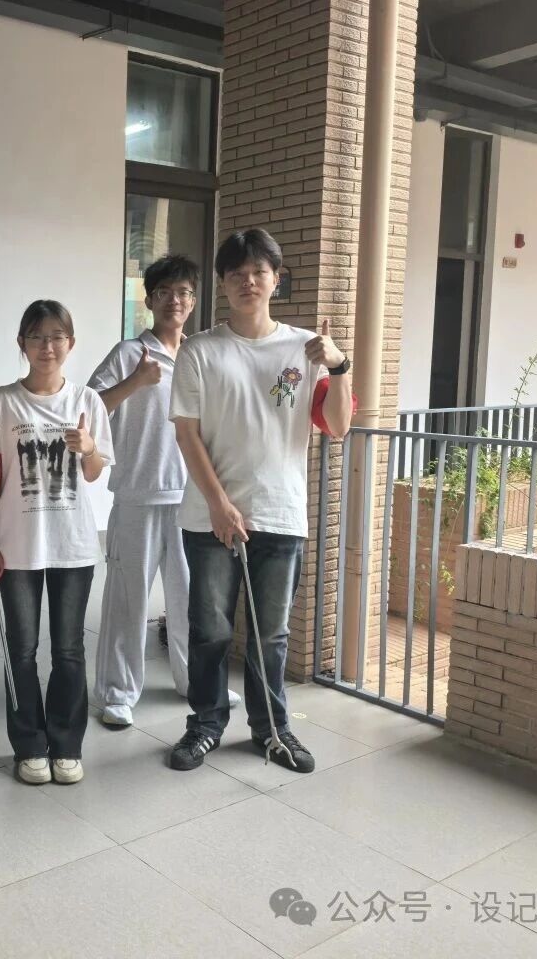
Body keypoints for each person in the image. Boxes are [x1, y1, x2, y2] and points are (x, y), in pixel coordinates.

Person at [167, 229, 353, 774]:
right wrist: (219, 504)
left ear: (277, 279)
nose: (248, 281)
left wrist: (339, 366)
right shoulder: (200, 350)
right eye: (236, 274)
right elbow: (187, 435)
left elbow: (338, 426)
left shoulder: (306, 348)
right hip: (209, 517)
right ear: (223, 283)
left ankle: (271, 729)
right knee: (211, 631)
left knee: (271, 635)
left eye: (258, 272)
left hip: (281, 512)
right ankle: (205, 725)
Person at [88, 254, 241, 729]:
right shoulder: (128, 354)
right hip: (138, 497)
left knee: (192, 601)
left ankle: (194, 681)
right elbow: (89, 411)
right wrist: (136, 381)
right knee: (128, 602)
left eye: (184, 293)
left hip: (191, 500)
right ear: (150, 300)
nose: (175, 300)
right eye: (165, 292)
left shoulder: (200, 354)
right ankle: (117, 692)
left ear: (193, 301)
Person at [0, 300, 114, 786]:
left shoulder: (87, 401)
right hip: (17, 545)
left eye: (57, 337)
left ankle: (67, 745)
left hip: (73, 544)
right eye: (37, 336)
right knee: (22, 650)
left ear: (70, 343)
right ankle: (29, 745)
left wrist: (88, 448)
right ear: (22, 343)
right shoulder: (2, 402)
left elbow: (93, 473)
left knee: (69, 649)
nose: (47, 346)